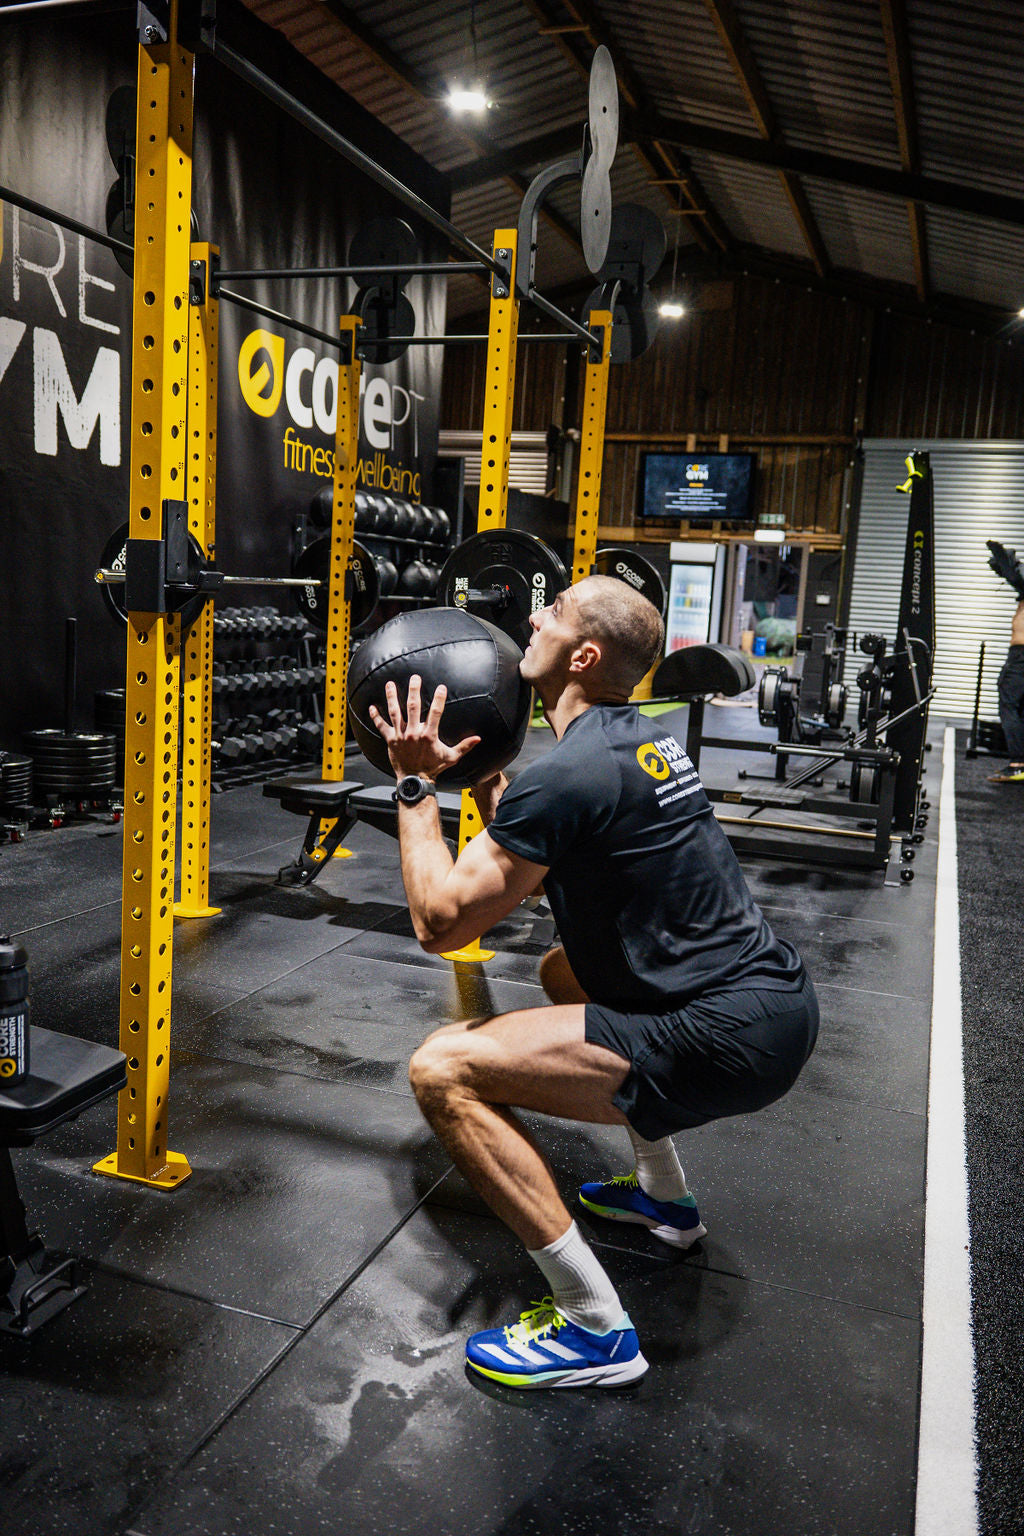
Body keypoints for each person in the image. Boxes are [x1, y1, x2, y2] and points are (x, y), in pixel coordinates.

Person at [368, 575, 818, 1390]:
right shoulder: (636, 742)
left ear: (581, 654)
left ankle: (594, 1328)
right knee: (560, 968)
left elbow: (441, 925)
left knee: (444, 1070)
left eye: (554, 611)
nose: (531, 616)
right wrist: (488, 787)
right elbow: (555, 868)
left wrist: (412, 786)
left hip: (723, 1039)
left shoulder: (569, 772)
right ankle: (666, 1200)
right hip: (774, 1002)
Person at [985, 542, 1024, 782]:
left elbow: (1017, 576)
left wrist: (1004, 559)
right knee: (1019, 707)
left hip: (1021, 656)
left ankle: (1018, 763)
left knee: (1009, 703)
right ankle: (1020, 762)